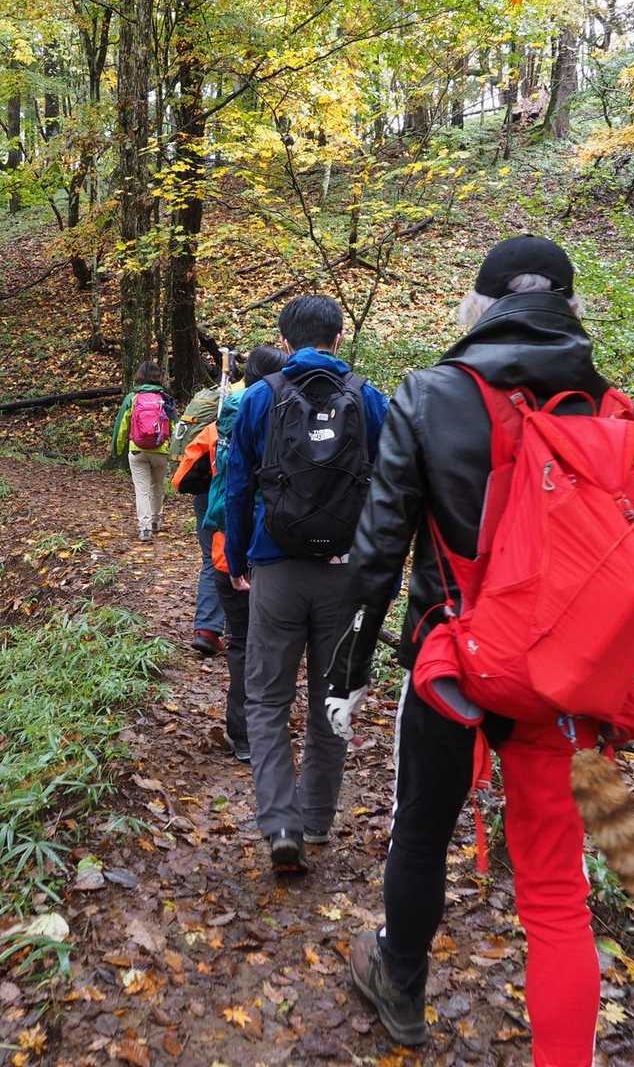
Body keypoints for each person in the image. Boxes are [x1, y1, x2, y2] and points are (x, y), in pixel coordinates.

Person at [325, 237, 634, 1063]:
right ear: (571, 309)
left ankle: (400, 982)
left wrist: (347, 672)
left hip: (455, 672)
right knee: (557, 897)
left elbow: (377, 552)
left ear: (477, 307)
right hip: (564, 685)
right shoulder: (610, 410)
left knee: (419, 833)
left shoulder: (431, 395)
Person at [223, 296, 387, 874]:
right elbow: (392, 487)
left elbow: (237, 484)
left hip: (276, 565)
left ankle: (280, 824)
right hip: (345, 572)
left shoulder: (260, 396)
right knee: (331, 697)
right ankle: (316, 819)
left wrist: (237, 557)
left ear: (284, 342)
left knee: (267, 698)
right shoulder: (369, 398)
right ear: (339, 339)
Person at [175, 346, 290, 763]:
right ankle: (271, 732)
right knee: (275, 644)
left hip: (229, 550)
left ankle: (242, 736)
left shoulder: (223, 419)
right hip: (281, 554)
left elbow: (184, 477)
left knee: (240, 642)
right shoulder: (290, 420)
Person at [170, 359, 242, 656]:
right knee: (246, 561)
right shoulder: (268, 401)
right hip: (239, 494)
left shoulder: (220, 401)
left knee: (212, 559)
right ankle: (240, 634)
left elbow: (192, 455)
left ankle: (207, 630)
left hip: (208, 489)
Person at [112, 361, 177, 542]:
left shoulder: (132, 398)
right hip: (160, 449)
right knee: (157, 486)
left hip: (137, 450)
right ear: (158, 377)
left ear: (139, 376)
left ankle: (145, 528)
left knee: (142, 490)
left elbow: (122, 426)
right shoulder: (165, 397)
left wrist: (117, 449)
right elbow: (174, 425)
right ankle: (156, 521)